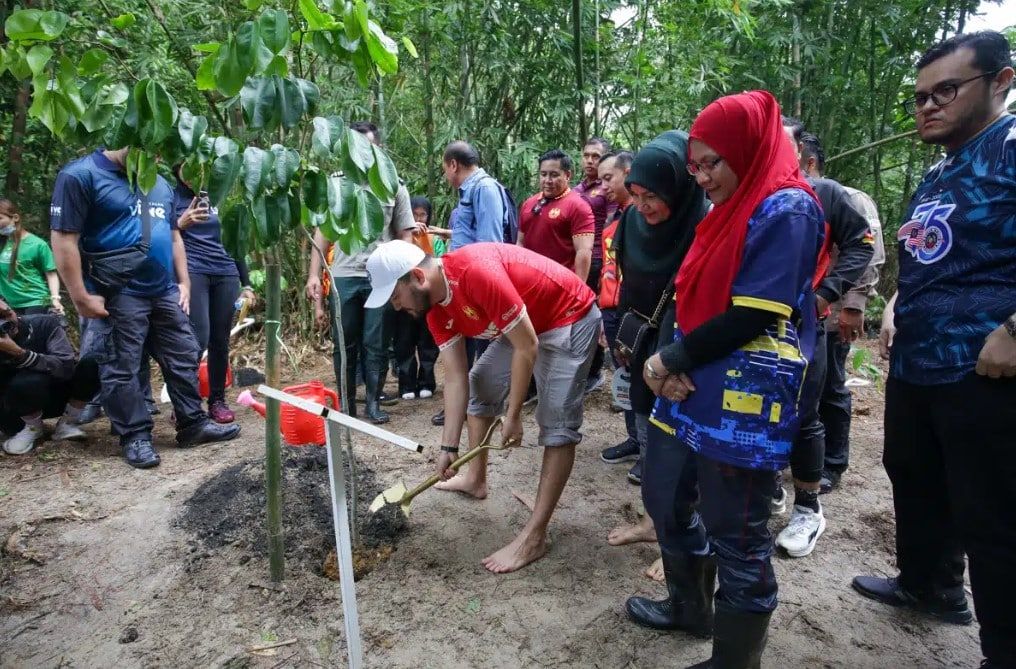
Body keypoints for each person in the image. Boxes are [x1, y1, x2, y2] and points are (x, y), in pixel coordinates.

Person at [627, 91, 823, 668]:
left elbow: (757, 311)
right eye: (696, 164)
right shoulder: (728, 207)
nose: (703, 176)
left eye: (714, 161)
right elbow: (691, 295)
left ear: (748, 147)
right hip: (690, 374)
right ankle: (689, 604)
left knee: (737, 528)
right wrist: (673, 359)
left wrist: (672, 359)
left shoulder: (786, 207)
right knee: (663, 494)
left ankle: (735, 660)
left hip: (742, 391)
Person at [852, 32, 1015, 669]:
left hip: (986, 368)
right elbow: (928, 253)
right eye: (920, 97)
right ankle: (932, 584)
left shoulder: (1009, 145)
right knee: (914, 476)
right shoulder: (938, 168)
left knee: (993, 514)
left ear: (1000, 82)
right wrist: (897, 303)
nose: (927, 106)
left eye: (945, 91)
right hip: (919, 360)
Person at [364, 240, 601, 574]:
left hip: (567, 315)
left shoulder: (475, 274)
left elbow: (527, 347)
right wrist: (449, 446)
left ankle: (535, 535)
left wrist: (514, 416)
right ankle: (475, 477)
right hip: (525, 321)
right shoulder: (435, 309)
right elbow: (457, 377)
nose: (397, 307)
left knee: (556, 420)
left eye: (395, 297)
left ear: (417, 276)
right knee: (482, 380)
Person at [49, 147, 240, 469]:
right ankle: (135, 435)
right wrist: (79, 295)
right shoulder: (81, 175)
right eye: (150, 151)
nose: (158, 158)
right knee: (121, 365)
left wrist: (184, 282)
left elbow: (174, 234)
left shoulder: (159, 184)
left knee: (183, 353)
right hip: (116, 290)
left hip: (163, 289)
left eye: (160, 153)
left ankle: (192, 423)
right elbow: (64, 238)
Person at [774, 121, 874, 558]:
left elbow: (861, 244)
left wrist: (827, 294)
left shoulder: (826, 193)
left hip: (806, 324)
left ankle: (808, 509)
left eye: (782, 141)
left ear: (799, 151)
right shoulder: (748, 193)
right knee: (762, 406)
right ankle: (767, 489)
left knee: (804, 411)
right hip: (756, 323)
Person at [305, 121, 418, 424]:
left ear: (379, 149)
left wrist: (402, 276)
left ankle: (373, 403)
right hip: (344, 274)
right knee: (345, 342)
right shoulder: (337, 184)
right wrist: (314, 275)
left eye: (368, 147)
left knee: (377, 342)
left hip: (381, 277)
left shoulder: (395, 186)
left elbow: (405, 234)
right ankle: (346, 405)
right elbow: (323, 234)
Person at [431, 140, 514, 426]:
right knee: (465, 345)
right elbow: (469, 232)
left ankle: (485, 408)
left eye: (445, 169)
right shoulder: (471, 191)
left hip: (478, 282)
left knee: (484, 346)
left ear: (453, 164)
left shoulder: (485, 188)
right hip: (463, 282)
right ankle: (466, 405)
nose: (446, 176)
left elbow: (490, 243)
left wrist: (480, 290)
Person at [172, 166, 256, 424]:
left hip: (226, 272)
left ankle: (217, 400)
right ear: (178, 169)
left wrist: (247, 283)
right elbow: (162, 236)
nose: (193, 172)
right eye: (188, 165)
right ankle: (186, 402)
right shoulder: (171, 197)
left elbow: (235, 241)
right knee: (197, 337)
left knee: (220, 340)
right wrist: (179, 223)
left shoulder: (219, 196)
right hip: (193, 271)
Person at [820, 179, 885, 492]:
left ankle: (832, 462)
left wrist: (855, 305)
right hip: (805, 314)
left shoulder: (850, 198)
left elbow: (868, 253)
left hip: (834, 311)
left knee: (831, 384)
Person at [0, 298, 97, 454]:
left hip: (54, 393)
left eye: (6, 313)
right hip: (14, 407)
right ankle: (32, 428)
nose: (5, 322)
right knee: (25, 382)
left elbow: (65, 367)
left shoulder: (44, 324)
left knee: (92, 364)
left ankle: (68, 423)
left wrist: (21, 354)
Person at [574, 137, 617, 393]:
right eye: (586, 155)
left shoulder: (608, 189)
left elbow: (612, 223)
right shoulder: (577, 189)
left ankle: (595, 371)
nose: (590, 160)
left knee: (598, 314)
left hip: (601, 258)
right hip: (579, 258)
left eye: (596, 156)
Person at [518, 149, 595, 281]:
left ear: (567, 175)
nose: (548, 180)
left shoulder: (578, 206)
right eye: (543, 174)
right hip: (529, 280)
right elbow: (520, 242)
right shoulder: (528, 204)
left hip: (561, 284)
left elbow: (584, 251)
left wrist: (578, 289)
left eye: (554, 175)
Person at [394, 196, 439, 399]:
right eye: (415, 215)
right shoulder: (400, 237)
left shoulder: (434, 238)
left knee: (427, 341)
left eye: (423, 214)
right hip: (405, 296)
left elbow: (436, 263)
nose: (419, 219)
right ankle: (406, 384)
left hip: (427, 296)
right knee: (404, 340)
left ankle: (427, 381)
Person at [0, 200, 64, 317]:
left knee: (33, 335)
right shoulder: (3, 243)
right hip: (8, 305)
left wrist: (55, 298)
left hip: (35, 303)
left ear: (15, 218)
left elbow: (51, 273)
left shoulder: (37, 244)